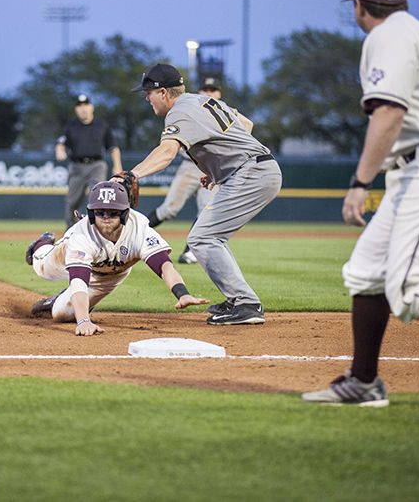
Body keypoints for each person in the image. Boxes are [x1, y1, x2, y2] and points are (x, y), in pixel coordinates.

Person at [302, 0, 419, 406]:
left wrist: (360, 182)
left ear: (358, 5)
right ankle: (363, 381)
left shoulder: (389, 35)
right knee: (366, 274)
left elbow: (389, 112)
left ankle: (363, 380)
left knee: (412, 287)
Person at [125, 63, 282, 325]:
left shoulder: (178, 113)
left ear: (163, 92)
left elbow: (166, 153)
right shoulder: (201, 101)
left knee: (202, 238)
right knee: (210, 237)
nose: (145, 97)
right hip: (256, 168)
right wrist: (222, 164)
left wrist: (132, 174)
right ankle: (239, 300)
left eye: (148, 92)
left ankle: (246, 304)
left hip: (252, 173)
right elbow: (246, 123)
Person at [25, 181, 209, 336]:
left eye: (113, 212)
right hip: (69, 256)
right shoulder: (82, 235)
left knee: (61, 315)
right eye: (100, 212)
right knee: (41, 267)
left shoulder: (140, 230)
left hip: (110, 275)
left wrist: (182, 293)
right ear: (91, 213)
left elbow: (164, 266)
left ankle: (52, 303)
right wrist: (83, 321)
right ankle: (42, 243)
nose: (106, 217)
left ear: (124, 214)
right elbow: (79, 280)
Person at [144, 77, 255, 265]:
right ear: (198, 91)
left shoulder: (220, 108)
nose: (209, 93)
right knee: (169, 209)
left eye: (213, 90)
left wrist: (229, 157)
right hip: (190, 166)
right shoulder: (191, 107)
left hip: (212, 168)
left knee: (207, 210)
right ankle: (133, 236)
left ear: (219, 93)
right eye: (205, 89)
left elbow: (248, 124)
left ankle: (190, 252)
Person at [55, 94, 122, 228]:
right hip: (76, 167)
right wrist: (60, 150)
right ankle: (71, 233)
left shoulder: (101, 125)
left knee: (98, 199)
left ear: (91, 107)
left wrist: (117, 166)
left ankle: (98, 232)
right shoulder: (71, 126)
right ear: (76, 109)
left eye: (86, 105)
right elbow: (61, 143)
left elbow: (113, 148)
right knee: (72, 202)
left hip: (97, 166)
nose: (83, 109)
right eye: (80, 106)